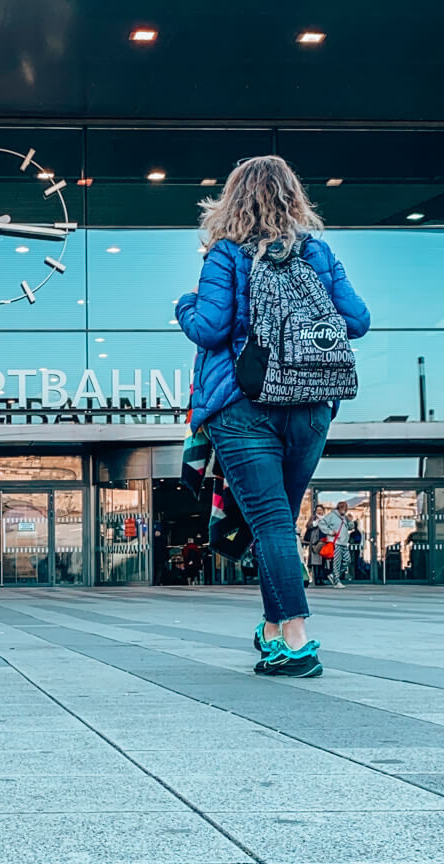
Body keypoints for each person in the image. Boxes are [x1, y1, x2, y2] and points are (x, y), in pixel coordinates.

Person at [175, 155, 370, 677]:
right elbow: (357, 320)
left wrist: (184, 305)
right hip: (310, 404)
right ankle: (273, 631)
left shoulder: (225, 255)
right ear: (294, 197)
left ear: (233, 199)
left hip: (243, 406)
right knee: (275, 522)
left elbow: (211, 329)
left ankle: (299, 640)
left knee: (271, 524)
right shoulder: (318, 254)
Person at [319, 501, 353, 588]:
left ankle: (334, 576)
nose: (344, 510)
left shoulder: (344, 517)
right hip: (336, 542)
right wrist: (330, 532)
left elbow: (350, 527)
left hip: (344, 543)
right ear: (339, 508)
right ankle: (336, 581)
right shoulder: (331, 516)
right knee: (337, 562)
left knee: (347, 560)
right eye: (343, 508)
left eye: (345, 509)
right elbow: (321, 523)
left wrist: (350, 521)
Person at [304, 504, 328, 586]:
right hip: (315, 542)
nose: (319, 511)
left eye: (320, 510)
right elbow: (308, 526)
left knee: (323, 561)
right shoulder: (313, 518)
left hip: (324, 541)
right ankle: (317, 579)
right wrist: (316, 522)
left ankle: (322, 578)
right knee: (315, 561)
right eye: (318, 510)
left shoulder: (326, 518)